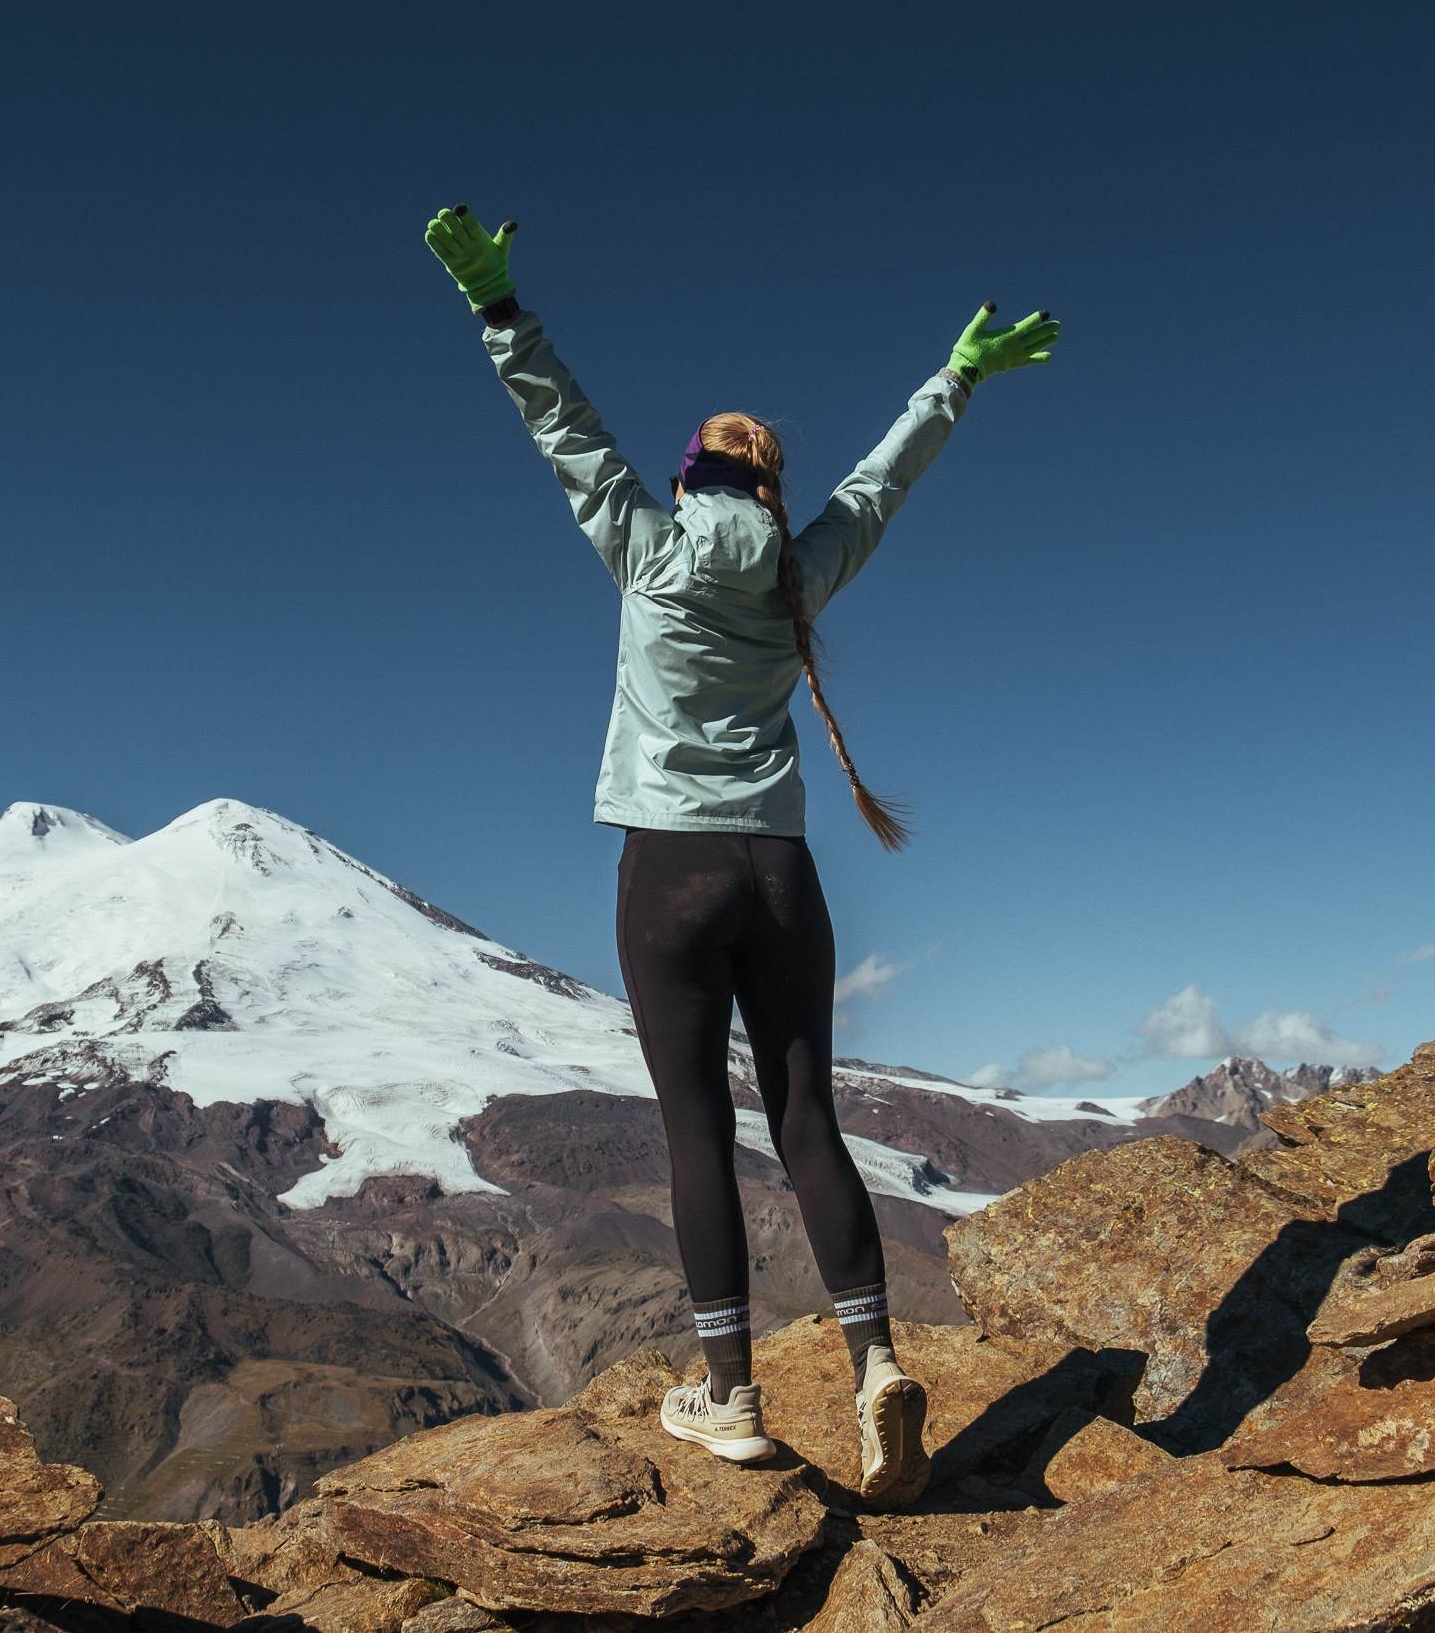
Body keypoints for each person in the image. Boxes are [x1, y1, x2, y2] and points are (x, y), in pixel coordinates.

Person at [423, 204, 1060, 1507]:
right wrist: (959, 377)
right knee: (807, 1115)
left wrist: (499, 306)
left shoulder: (646, 553)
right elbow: (886, 480)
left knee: (696, 1128)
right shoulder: (799, 575)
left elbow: (563, 424)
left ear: (688, 480)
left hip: (670, 871)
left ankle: (731, 1398)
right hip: (781, 872)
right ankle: (876, 1359)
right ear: (767, 489)